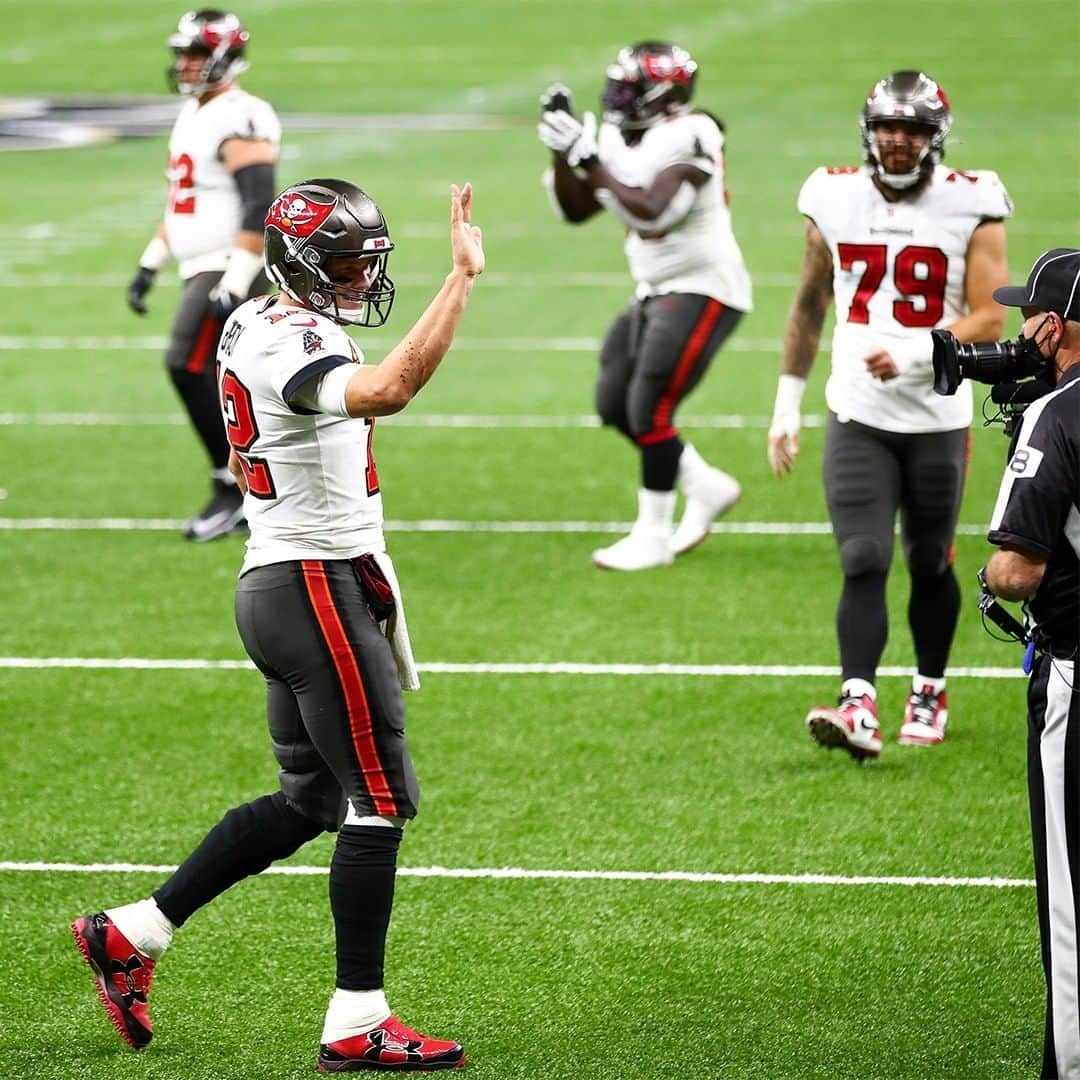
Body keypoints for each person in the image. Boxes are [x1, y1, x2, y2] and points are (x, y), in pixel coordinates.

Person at [72, 178, 484, 1072]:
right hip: (312, 586)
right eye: (342, 263)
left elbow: (239, 442)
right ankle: (355, 1021)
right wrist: (462, 280)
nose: (357, 278)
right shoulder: (291, 336)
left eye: (364, 261)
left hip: (283, 579)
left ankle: (133, 933)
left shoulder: (251, 318)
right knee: (381, 800)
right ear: (299, 263)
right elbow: (390, 388)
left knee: (311, 803)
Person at [767, 70, 1012, 759]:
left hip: (936, 415)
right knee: (863, 556)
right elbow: (810, 302)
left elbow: (992, 315)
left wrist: (914, 354)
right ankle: (859, 703)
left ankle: (930, 686)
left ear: (934, 138)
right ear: (868, 131)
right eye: (887, 127)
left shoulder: (972, 201)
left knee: (931, 560)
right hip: (858, 411)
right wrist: (786, 404)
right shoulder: (833, 195)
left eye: (912, 130)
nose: (898, 142)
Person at [537, 41, 752, 571]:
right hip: (654, 287)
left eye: (630, 89)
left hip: (705, 284)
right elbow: (576, 209)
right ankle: (704, 485)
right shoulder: (617, 133)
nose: (617, 98)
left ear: (666, 94)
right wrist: (563, 154)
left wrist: (591, 159)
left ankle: (653, 536)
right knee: (615, 402)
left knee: (649, 405)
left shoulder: (694, 131)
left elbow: (655, 213)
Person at [981, 249, 1080, 1080]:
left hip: (1078, 679)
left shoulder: (1058, 415)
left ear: (1055, 326)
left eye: (1027, 316)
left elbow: (1017, 569)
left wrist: (986, 578)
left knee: (1073, 902)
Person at [127, 9, 280, 541]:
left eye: (195, 54)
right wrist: (151, 261)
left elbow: (260, 203)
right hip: (202, 264)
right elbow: (184, 203)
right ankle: (247, 486)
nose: (185, 65)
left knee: (186, 364)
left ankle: (235, 486)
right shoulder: (196, 111)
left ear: (224, 56)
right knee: (214, 376)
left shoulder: (241, 114)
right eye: (183, 54)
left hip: (227, 266)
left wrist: (236, 279)